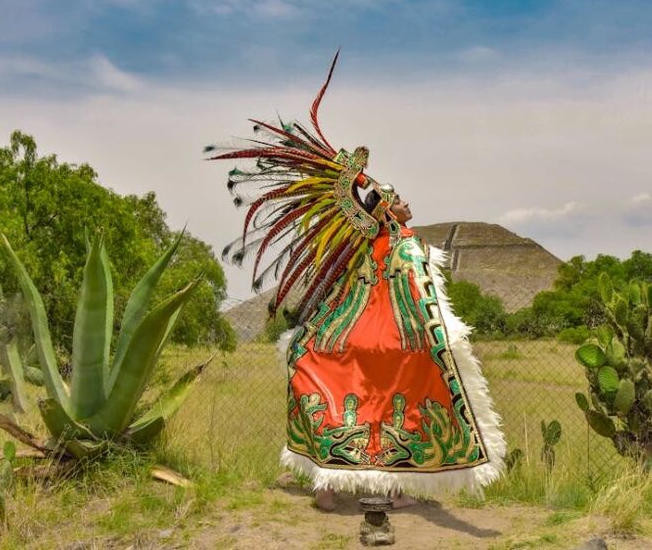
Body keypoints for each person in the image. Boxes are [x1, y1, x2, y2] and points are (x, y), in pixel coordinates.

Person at [206, 53, 506, 511]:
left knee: (386, 403)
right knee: (381, 394)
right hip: (376, 335)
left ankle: (363, 487)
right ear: (384, 209)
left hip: (370, 334)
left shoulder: (390, 244)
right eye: (398, 201)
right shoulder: (388, 244)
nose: (406, 205)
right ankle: (343, 487)